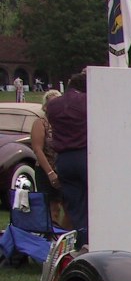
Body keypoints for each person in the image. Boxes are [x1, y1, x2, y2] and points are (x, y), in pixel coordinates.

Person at [46, 72, 88, 244]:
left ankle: (79, 239)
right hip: (84, 155)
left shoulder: (53, 105)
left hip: (63, 159)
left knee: (73, 205)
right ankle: (89, 240)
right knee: (92, 201)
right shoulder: (86, 101)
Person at [30, 89, 64, 228]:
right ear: (45, 107)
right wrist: (50, 173)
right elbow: (37, 149)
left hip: (62, 169)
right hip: (46, 170)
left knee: (68, 207)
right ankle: (50, 237)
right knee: (52, 208)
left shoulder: (64, 123)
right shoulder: (40, 123)